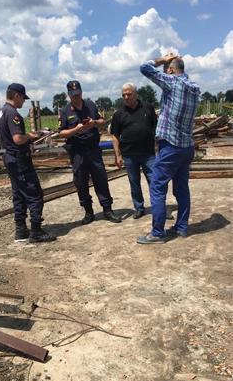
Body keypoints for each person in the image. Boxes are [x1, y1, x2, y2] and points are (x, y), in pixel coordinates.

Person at [137, 54, 200, 244]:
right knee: (181, 188)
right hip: (186, 147)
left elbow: (144, 68)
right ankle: (181, 227)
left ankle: (157, 233)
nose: (164, 71)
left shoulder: (172, 82)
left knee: (157, 186)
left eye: (166, 68)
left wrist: (163, 59)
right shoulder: (194, 88)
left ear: (171, 70)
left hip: (170, 146)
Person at [0, 83, 56, 243]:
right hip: (19, 159)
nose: (23, 102)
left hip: (10, 157)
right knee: (34, 193)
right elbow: (18, 138)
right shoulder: (13, 114)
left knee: (19, 194)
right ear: (17, 96)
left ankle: (21, 230)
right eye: (23, 98)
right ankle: (36, 230)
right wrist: (30, 136)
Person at [58, 80, 122, 225]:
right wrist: (75, 130)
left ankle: (107, 209)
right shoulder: (65, 111)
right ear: (68, 95)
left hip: (93, 149)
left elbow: (102, 121)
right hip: (77, 152)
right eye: (73, 95)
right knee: (81, 182)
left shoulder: (91, 105)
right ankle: (88, 212)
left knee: (101, 179)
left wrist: (94, 122)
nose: (76, 97)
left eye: (78, 94)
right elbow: (61, 133)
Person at [110, 83, 158, 219]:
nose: (126, 97)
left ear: (136, 94)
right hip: (129, 155)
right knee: (134, 183)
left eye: (129, 94)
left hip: (148, 154)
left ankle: (159, 208)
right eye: (124, 95)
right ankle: (139, 208)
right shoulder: (119, 114)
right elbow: (114, 136)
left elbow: (156, 129)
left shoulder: (148, 108)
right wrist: (117, 155)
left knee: (154, 181)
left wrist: (158, 149)